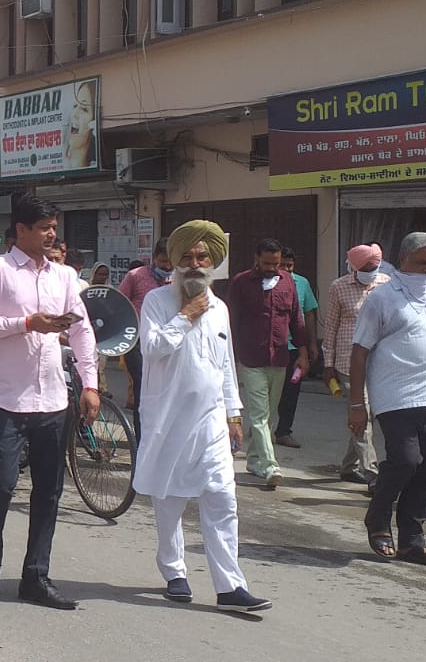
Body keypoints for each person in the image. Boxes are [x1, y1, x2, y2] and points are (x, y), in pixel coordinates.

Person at [0, 193, 98, 610]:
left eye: (54, 228)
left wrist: (90, 384)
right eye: (43, 228)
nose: (51, 235)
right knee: (0, 486)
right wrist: (25, 323)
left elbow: (82, 330)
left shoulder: (64, 276)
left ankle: (36, 576)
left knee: (49, 491)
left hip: (53, 400)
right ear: (20, 230)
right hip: (7, 400)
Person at [134, 219, 272, 612]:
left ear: (213, 263)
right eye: (187, 258)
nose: (194, 264)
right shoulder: (157, 302)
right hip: (168, 419)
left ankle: (230, 587)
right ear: (175, 262)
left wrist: (233, 412)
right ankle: (174, 572)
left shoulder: (220, 307)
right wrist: (186, 315)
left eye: (202, 257)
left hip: (211, 421)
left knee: (222, 497)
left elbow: (225, 362)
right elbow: (152, 348)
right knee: (170, 500)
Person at [350, 232, 426, 568]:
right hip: (396, 395)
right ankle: (378, 519)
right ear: (403, 259)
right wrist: (357, 404)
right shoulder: (382, 298)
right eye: (421, 263)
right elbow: (359, 352)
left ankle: (412, 542)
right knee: (405, 460)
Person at [224, 238, 310, 488]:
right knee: (260, 414)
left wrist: (303, 353)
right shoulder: (241, 282)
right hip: (251, 358)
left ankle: (253, 460)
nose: (272, 268)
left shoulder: (287, 282)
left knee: (269, 414)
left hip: (280, 358)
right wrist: (229, 356)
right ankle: (271, 466)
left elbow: (296, 320)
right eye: (267, 263)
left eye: (276, 264)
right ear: (256, 260)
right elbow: (229, 320)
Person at [321, 244, 390, 486]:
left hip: (378, 361)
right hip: (348, 362)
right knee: (363, 415)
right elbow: (331, 328)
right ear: (355, 267)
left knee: (368, 416)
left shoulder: (386, 284)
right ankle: (372, 471)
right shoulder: (339, 287)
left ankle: (348, 466)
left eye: (374, 268)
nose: (371, 272)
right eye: (366, 269)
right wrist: (327, 365)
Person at [273, 247, 319, 449]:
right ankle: (262, 426)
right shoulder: (267, 283)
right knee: (269, 391)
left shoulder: (302, 283)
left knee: (291, 392)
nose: (286, 269)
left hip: (296, 348)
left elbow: (309, 314)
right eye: (282, 265)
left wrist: (312, 344)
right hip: (272, 348)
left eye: (290, 266)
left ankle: (283, 431)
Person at [118, 238, 172, 405]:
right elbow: (120, 303)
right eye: (163, 261)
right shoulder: (135, 276)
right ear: (154, 257)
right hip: (137, 341)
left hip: (168, 339)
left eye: (171, 262)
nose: (167, 266)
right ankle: (141, 422)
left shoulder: (178, 279)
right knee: (142, 385)